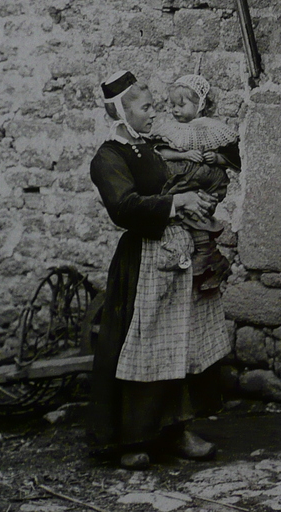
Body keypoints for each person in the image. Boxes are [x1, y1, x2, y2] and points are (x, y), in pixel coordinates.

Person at [88, 70, 232, 469]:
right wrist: (177, 204)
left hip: (175, 258)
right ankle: (132, 438)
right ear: (122, 112)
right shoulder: (108, 158)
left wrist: (198, 199)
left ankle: (177, 430)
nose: (155, 114)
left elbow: (185, 178)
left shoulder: (152, 147)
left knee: (177, 344)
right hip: (142, 262)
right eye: (146, 108)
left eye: (154, 106)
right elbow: (124, 208)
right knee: (142, 347)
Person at [150, 74, 239, 295]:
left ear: (199, 105)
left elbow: (231, 158)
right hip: (181, 182)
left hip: (205, 184)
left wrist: (215, 158)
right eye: (172, 105)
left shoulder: (211, 129)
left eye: (181, 105)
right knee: (182, 213)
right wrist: (185, 155)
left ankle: (208, 257)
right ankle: (209, 258)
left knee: (199, 211)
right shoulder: (172, 130)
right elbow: (161, 151)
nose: (175, 110)